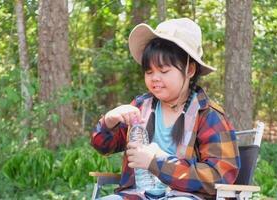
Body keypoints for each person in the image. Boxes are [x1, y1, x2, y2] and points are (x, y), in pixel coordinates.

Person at [91, 18, 240, 200]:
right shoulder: (140, 108)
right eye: (149, 71)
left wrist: (157, 163)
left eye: (163, 71)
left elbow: (219, 177)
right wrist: (109, 120)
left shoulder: (208, 115)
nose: (154, 78)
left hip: (186, 196)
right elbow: (103, 146)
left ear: (190, 70)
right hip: (139, 195)